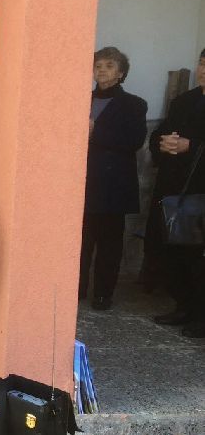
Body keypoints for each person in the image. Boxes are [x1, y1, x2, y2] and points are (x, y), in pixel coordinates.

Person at [79, 47, 148, 310]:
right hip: (82, 182)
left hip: (113, 185)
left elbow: (134, 141)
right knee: (80, 241)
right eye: (98, 65)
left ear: (121, 73)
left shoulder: (134, 104)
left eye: (109, 66)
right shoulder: (80, 99)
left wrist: (95, 132)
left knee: (109, 243)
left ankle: (103, 293)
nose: (102, 70)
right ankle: (77, 288)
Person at [150, 49, 205, 337]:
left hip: (201, 189)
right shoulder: (184, 101)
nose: (203, 70)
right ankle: (183, 306)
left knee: (199, 256)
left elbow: (193, 143)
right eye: (202, 63)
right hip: (176, 189)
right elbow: (161, 131)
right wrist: (163, 143)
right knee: (175, 250)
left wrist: (191, 146)